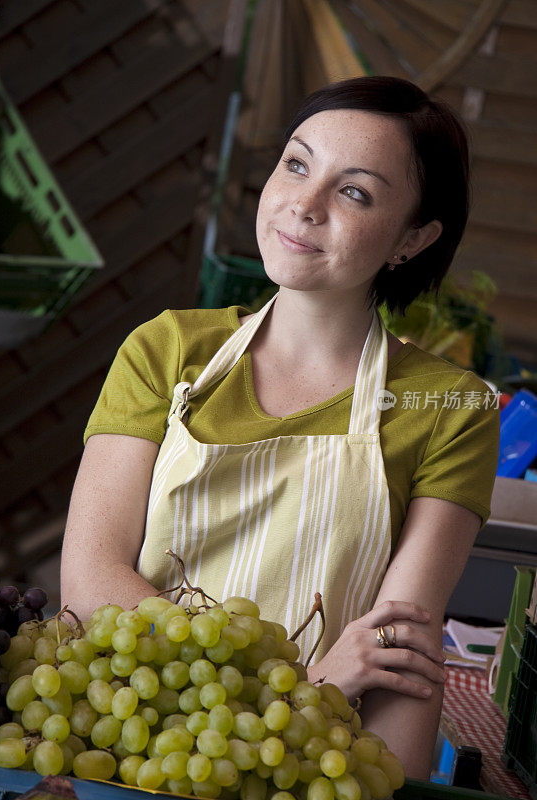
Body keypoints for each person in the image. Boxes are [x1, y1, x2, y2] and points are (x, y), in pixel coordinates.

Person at [61, 76, 500, 778]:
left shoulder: (452, 408)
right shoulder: (168, 350)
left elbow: (394, 653)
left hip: (304, 769)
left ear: (411, 238)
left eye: (353, 191)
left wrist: (296, 718)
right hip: (123, 747)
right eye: (296, 164)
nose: (303, 202)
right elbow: (90, 584)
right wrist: (309, 684)